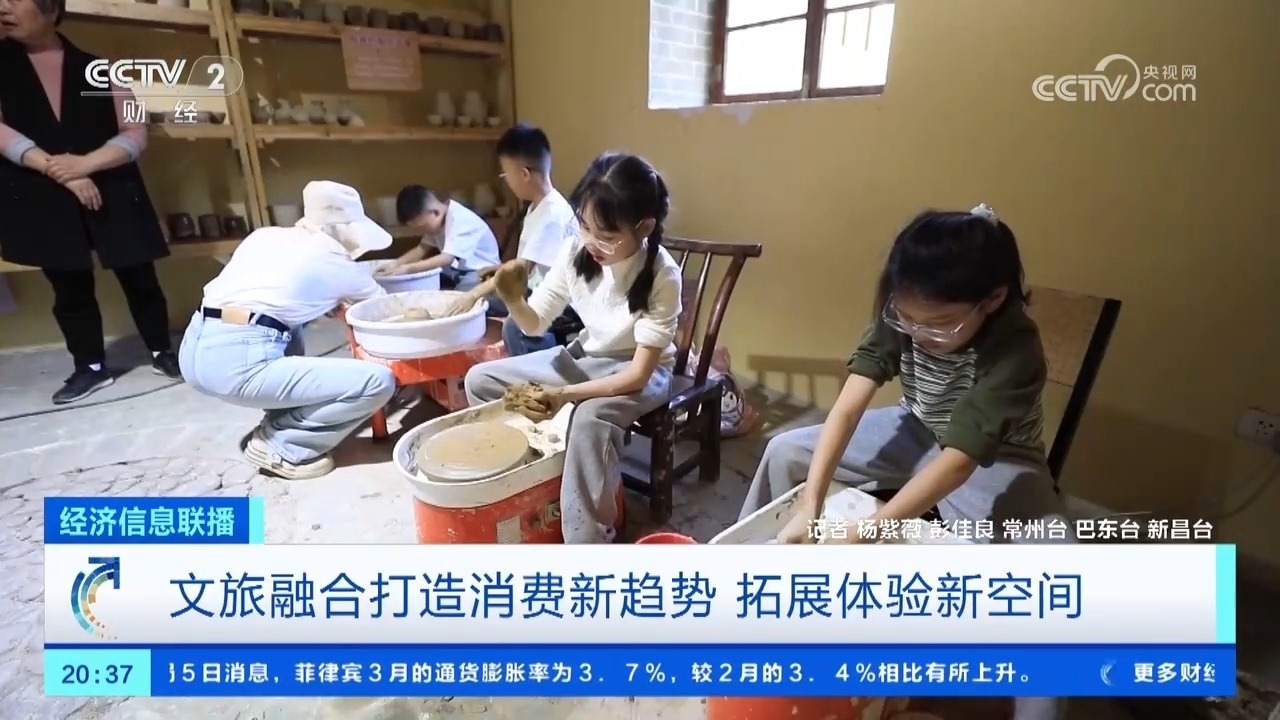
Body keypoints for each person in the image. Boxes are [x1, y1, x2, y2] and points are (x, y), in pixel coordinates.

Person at [745, 203, 1074, 545]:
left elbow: (959, 463)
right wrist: (808, 506)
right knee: (785, 451)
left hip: (997, 457)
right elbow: (847, 410)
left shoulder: (1017, 348)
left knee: (1055, 549)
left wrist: (862, 534)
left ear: (993, 299)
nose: (917, 333)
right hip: (917, 425)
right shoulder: (906, 312)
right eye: (907, 318)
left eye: (941, 323)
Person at [464, 152, 682, 543]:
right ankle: (531, 476)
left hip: (640, 371)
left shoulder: (662, 274)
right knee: (480, 381)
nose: (591, 243)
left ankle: (587, 540)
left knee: (589, 417)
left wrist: (565, 395)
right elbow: (534, 324)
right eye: (584, 226)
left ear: (644, 227)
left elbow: (638, 375)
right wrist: (513, 299)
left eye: (607, 236)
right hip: (587, 357)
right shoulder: (573, 252)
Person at [0, 0, 181, 405]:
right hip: (41, 188)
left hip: (112, 182)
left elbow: (135, 131)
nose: (4, 7)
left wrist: (84, 164)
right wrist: (59, 170)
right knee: (68, 285)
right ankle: (90, 367)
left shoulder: (103, 68)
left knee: (140, 275)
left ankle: (161, 351)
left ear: (51, 11)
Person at [179, 181, 396, 480]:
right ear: (343, 227)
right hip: (237, 364)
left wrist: (323, 302)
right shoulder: (335, 261)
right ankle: (282, 446)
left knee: (290, 325)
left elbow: (275, 293)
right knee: (378, 382)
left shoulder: (263, 236)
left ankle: (282, 421)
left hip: (193, 348)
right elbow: (385, 312)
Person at [443, 123, 580, 354]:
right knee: (470, 285)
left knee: (512, 325)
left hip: (563, 303)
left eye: (506, 174)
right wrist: (497, 270)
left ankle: (540, 364)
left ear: (524, 174)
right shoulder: (538, 206)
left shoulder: (552, 215)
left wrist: (473, 296)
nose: (505, 181)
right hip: (535, 286)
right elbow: (531, 261)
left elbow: (522, 269)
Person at [379, 185, 500, 294]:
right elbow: (421, 248)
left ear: (435, 212)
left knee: (462, 294)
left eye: (423, 227)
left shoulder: (460, 219)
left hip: (482, 271)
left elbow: (447, 258)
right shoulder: (437, 220)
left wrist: (408, 268)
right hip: (456, 270)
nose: (422, 232)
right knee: (423, 281)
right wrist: (395, 264)